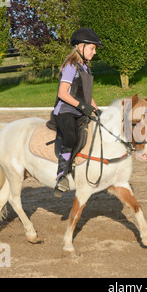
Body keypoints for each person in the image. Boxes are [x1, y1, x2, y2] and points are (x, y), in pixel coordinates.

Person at [52, 27, 103, 193]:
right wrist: (81, 106)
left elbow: (87, 95)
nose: (94, 52)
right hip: (66, 110)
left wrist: (97, 110)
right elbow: (62, 93)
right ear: (80, 47)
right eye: (92, 48)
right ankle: (61, 176)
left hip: (80, 111)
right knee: (71, 137)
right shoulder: (71, 66)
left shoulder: (86, 68)